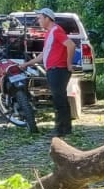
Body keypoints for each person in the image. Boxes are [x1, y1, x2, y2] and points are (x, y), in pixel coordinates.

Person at [23, 8, 75, 136]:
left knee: (59, 100)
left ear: (47, 18)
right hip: (53, 69)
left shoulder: (56, 30)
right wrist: (27, 64)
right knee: (60, 99)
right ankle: (66, 128)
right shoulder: (49, 33)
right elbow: (43, 54)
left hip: (58, 69)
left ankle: (59, 130)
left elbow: (71, 45)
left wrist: (68, 63)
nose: (38, 21)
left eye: (40, 18)